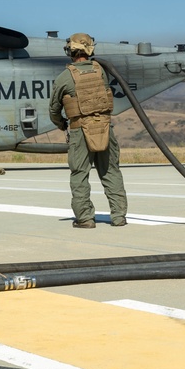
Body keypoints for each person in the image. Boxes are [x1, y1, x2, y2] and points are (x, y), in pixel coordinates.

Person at [48, 32, 128, 228]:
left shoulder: (65, 77)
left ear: (70, 50)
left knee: (80, 174)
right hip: (104, 128)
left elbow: (53, 109)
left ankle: (85, 218)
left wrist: (61, 124)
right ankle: (118, 217)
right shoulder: (100, 70)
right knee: (111, 172)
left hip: (80, 131)